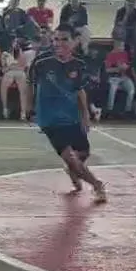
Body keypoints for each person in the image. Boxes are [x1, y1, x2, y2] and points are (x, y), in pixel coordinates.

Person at [28, 24, 107, 202]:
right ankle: (97, 185)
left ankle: (73, 171)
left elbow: (80, 91)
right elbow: (29, 84)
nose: (59, 43)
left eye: (64, 39)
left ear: (74, 41)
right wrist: (28, 108)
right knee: (70, 157)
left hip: (72, 116)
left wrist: (85, 116)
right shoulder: (41, 62)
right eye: (56, 39)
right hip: (49, 119)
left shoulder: (79, 64)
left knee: (83, 153)